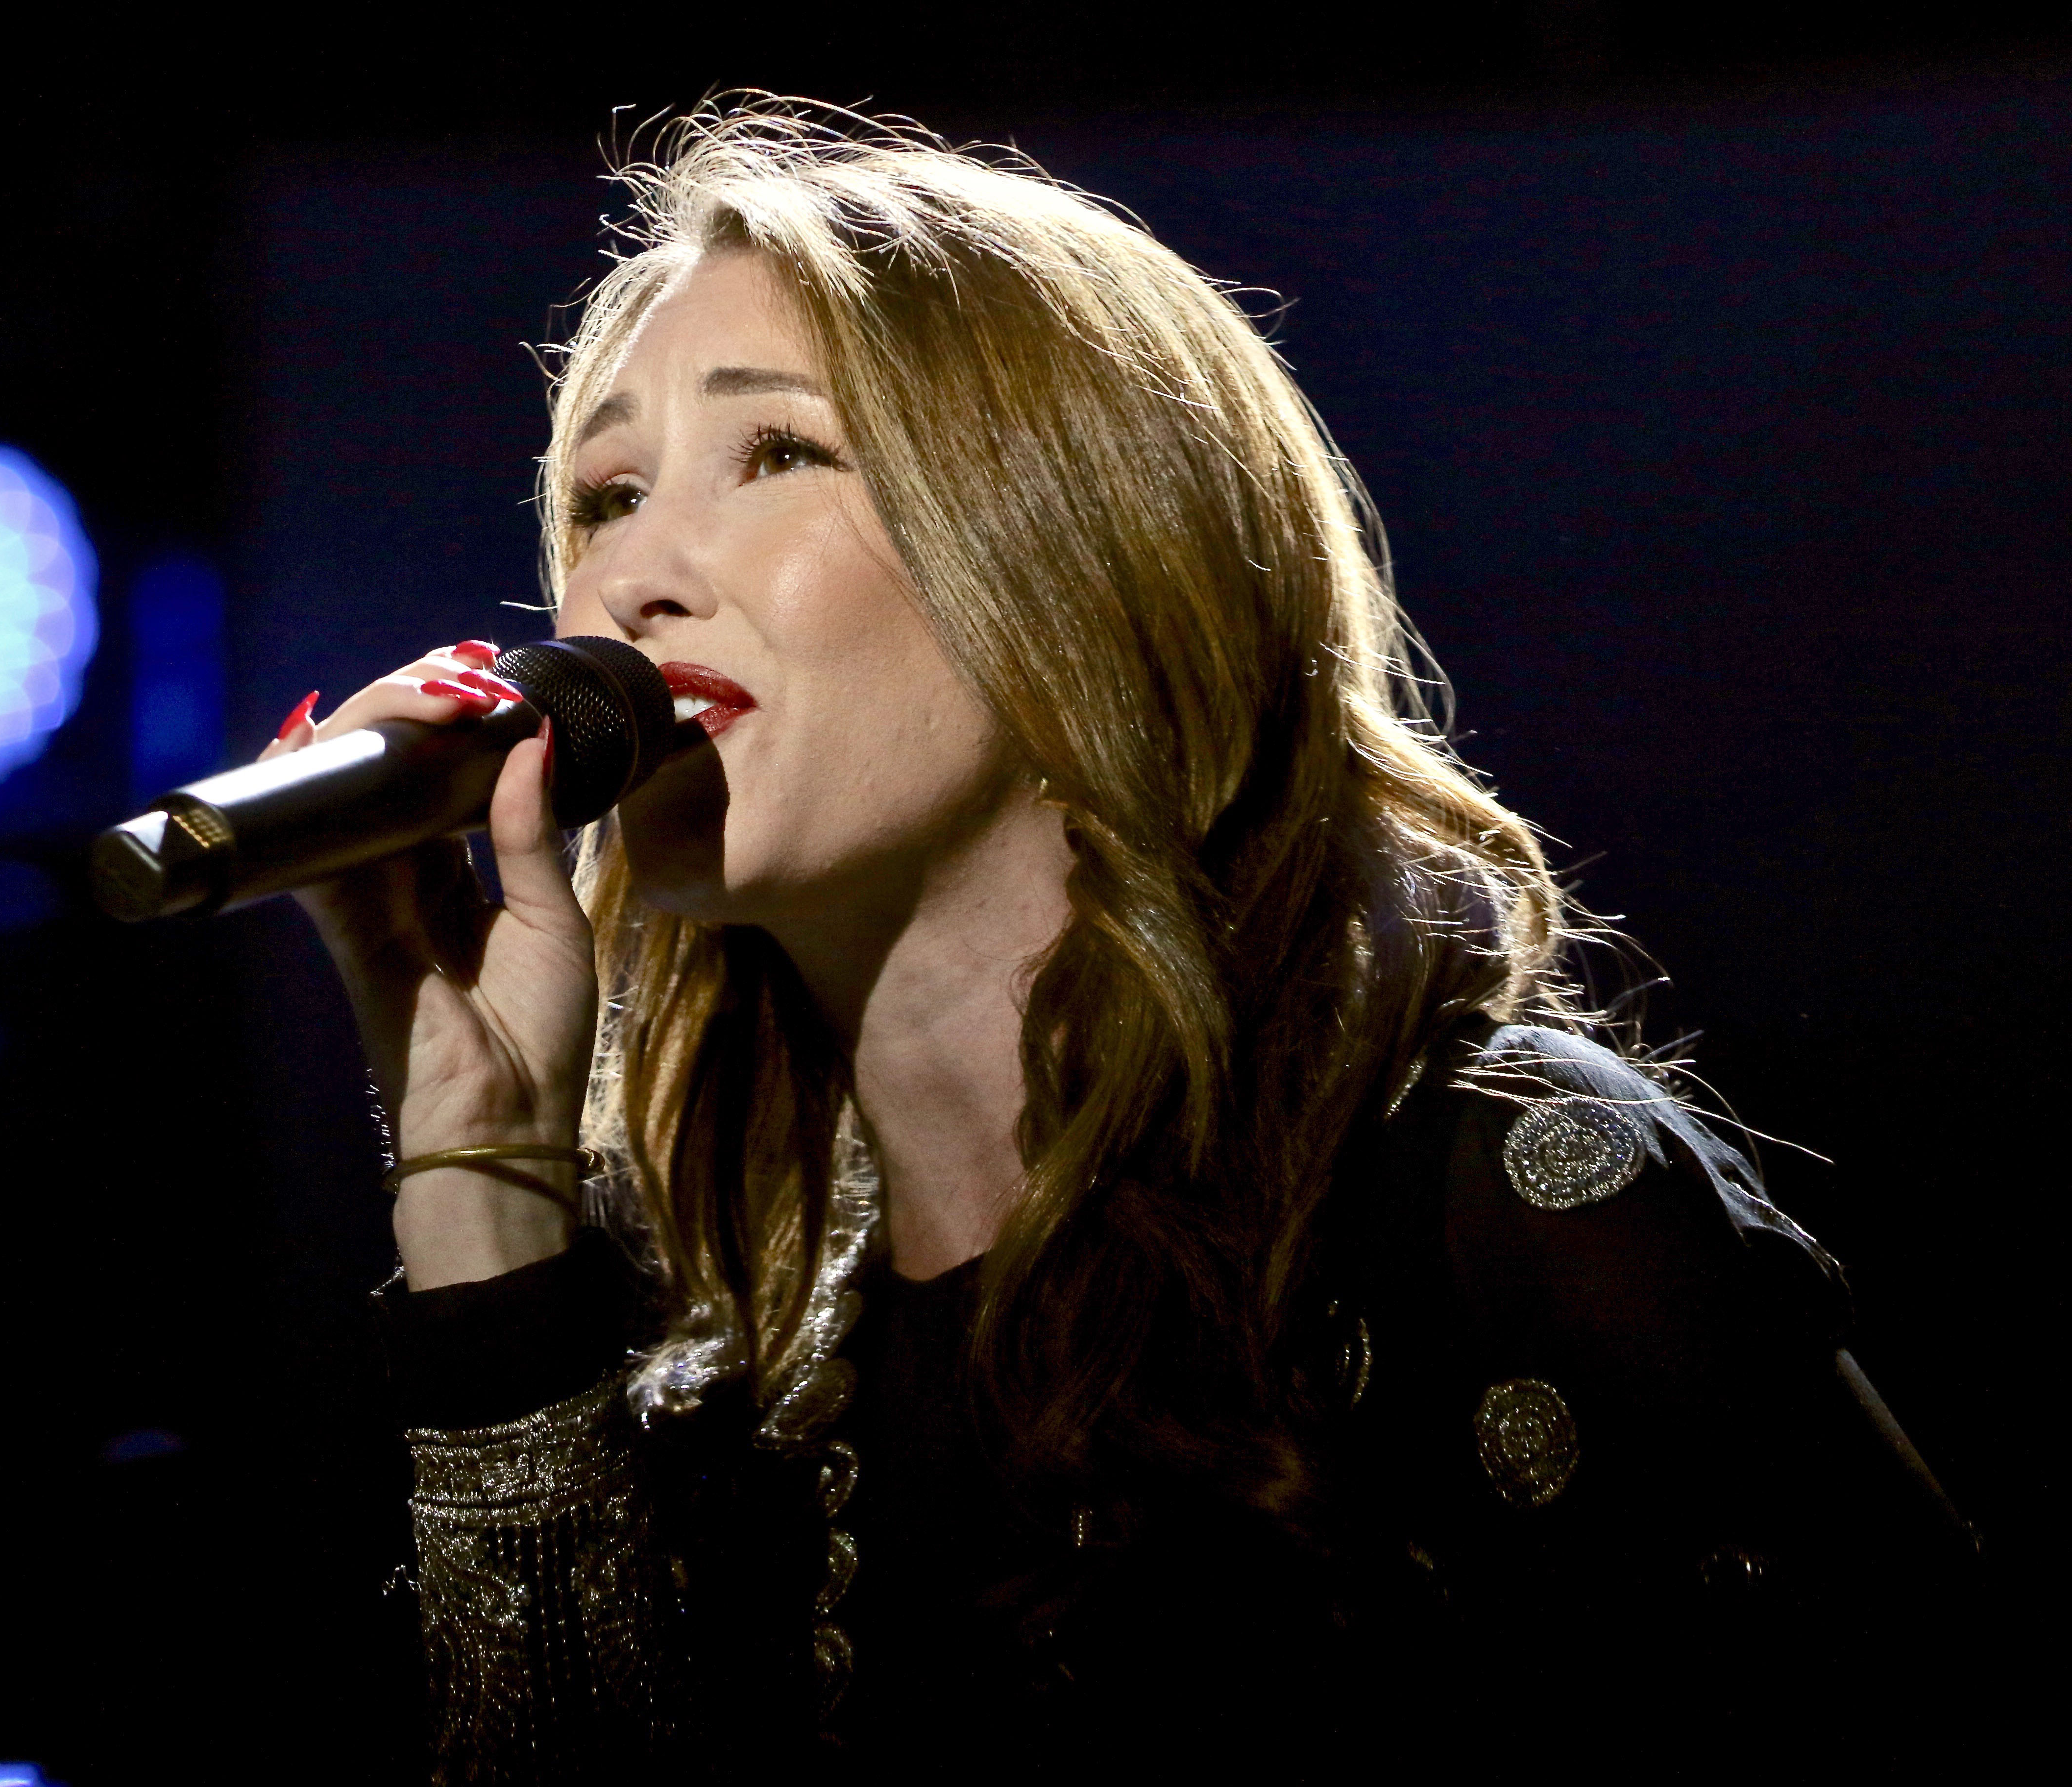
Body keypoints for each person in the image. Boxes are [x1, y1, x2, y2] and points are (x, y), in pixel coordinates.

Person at [269, 100, 1974, 1781]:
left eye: (777, 451)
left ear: (1076, 543)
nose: (631, 578)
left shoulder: (1498, 1202)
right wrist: (480, 1193)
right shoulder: (716, 1390)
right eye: (605, 496)